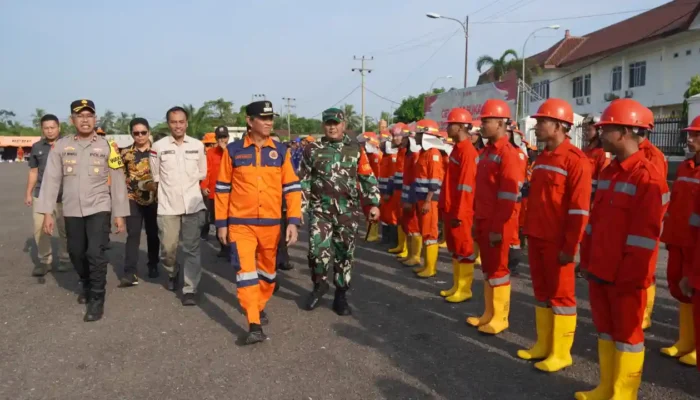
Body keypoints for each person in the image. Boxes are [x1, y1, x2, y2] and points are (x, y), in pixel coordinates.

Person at [574, 98, 669, 400]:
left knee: (628, 336)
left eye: (607, 128)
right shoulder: (610, 171)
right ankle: (606, 387)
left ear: (626, 131)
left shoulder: (648, 177)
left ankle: (623, 394)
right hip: (600, 268)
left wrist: (630, 279)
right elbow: (595, 222)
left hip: (626, 277)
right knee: (604, 330)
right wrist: (586, 259)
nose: (600, 133)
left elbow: (645, 239)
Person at [215, 101, 301, 345]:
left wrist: (293, 220)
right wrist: (221, 223)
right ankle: (253, 323)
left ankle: (258, 304)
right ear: (249, 121)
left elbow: (292, 188)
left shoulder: (281, 151)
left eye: (270, 118)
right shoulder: (233, 151)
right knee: (246, 274)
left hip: (272, 224)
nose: (268, 122)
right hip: (241, 223)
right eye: (263, 118)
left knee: (268, 275)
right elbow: (222, 189)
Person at [36, 99, 129, 321]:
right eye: (80, 116)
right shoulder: (61, 146)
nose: (85, 120)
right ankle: (86, 283)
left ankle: (97, 298)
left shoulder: (108, 146)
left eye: (89, 115)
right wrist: (47, 212)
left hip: (99, 207)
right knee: (76, 252)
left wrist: (120, 214)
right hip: (71, 209)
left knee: (95, 253)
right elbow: (50, 179)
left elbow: (117, 180)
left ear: (95, 119)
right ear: (72, 120)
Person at [516, 99, 591, 373]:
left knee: (562, 297)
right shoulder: (543, 157)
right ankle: (543, 345)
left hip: (559, 242)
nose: (536, 126)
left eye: (542, 121)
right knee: (541, 293)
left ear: (559, 126)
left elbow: (580, 209)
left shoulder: (576, 161)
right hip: (537, 236)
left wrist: (572, 247)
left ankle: (561, 353)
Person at [299, 107, 380, 316]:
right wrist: (298, 208)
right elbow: (304, 181)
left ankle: (341, 294)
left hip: (347, 212)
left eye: (336, 123)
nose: (332, 127)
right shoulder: (312, 149)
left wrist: (373, 203)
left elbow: (367, 177)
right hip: (320, 211)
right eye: (328, 123)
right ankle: (319, 285)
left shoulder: (356, 150)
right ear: (323, 125)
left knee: (344, 254)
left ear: (344, 125)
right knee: (317, 252)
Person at [466, 99, 521, 335]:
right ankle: (488, 313)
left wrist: (498, 227)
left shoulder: (507, 154)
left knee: (499, 271)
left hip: (499, 222)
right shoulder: (487, 152)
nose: (481, 126)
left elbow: (508, 196)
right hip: (484, 219)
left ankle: (501, 317)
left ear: (500, 123)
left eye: (486, 121)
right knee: (488, 270)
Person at [148, 106, 207, 306]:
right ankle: (173, 272)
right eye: (174, 122)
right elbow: (156, 176)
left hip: (193, 205)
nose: (178, 125)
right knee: (168, 248)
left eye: (181, 121)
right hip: (167, 206)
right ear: (168, 124)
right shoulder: (157, 147)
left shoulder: (198, 146)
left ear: (187, 123)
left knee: (192, 249)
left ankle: (190, 288)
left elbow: (202, 172)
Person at [659, 115, 700, 367]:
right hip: (678, 239)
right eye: (690, 134)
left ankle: (696, 344)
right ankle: (685, 340)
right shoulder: (685, 167)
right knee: (678, 289)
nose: (690, 139)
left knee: (695, 293)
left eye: (696, 135)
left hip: (695, 244)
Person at [439, 108, 479, 303]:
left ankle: (465, 289)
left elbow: (466, 187)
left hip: (460, 211)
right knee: (455, 249)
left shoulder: (468, 152)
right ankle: (456, 285)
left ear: (461, 127)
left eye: (450, 124)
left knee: (464, 249)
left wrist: (459, 213)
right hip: (451, 208)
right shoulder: (457, 148)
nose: (447, 127)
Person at [25, 114, 71, 276]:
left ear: (59, 128)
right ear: (42, 129)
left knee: (65, 230)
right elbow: (33, 171)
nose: (50, 131)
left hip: (64, 196)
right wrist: (28, 193)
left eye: (53, 127)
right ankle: (45, 261)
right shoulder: (37, 147)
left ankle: (65, 259)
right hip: (41, 195)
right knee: (40, 229)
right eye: (46, 128)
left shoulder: (68, 145)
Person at [635, 108, 668, 331]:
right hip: (628, 220)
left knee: (646, 270)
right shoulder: (628, 152)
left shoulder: (653, 156)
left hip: (646, 222)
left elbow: (657, 193)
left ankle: (644, 315)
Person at [118, 118, 160, 287]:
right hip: (133, 199)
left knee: (152, 234)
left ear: (149, 132)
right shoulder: (125, 153)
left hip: (155, 199)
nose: (140, 136)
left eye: (143, 132)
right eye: (136, 133)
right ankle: (130, 272)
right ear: (132, 134)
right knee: (133, 234)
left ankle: (153, 264)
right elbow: (120, 176)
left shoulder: (158, 151)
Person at [577, 114, 611, 278]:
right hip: (584, 199)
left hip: (595, 201)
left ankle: (592, 263)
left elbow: (603, 181)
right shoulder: (586, 150)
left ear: (598, 130)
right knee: (584, 233)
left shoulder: (602, 153)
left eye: (588, 129)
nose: (585, 132)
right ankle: (584, 263)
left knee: (594, 234)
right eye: (584, 128)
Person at [411, 120, 445, 278]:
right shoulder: (425, 153)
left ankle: (431, 268)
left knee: (430, 234)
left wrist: (427, 200)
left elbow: (435, 180)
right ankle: (426, 265)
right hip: (421, 198)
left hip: (428, 200)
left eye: (418, 133)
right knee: (425, 232)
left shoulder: (433, 154)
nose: (415, 137)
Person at [201, 127, 229, 257]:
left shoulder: (233, 151)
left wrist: (225, 151)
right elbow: (207, 171)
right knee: (218, 221)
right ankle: (224, 247)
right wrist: (204, 186)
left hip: (231, 193)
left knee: (232, 221)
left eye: (224, 137)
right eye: (220, 138)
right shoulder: (211, 153)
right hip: (214, 193)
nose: (222, 140)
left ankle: (232, 248)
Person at [400, 125, 423, 267]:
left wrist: (411, 200)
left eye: (403, 137)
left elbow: (415, 180)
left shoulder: (415, 155)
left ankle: (415, 256)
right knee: (407, 226)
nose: (400, 140)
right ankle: (409, 254)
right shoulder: (407, 154)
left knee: (414, 228)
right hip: (406, 196)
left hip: (412, 198)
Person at [387, 123, 409, 257]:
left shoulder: (407, 152)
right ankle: (401, 246)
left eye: (397, 136)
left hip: (404, 191)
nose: (395, 139)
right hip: (397, 190)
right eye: (393, 136)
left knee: (406, 220)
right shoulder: (400, 151)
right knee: (399, 218)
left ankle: (407, 249)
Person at [378, 130, 398, 247]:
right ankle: (386, 238)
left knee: (392, 217)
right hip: (382, 191)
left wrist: (388, 192)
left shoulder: (392, 157)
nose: (380, 145)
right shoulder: (385, 157)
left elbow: (392, 177)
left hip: (389, 192)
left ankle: (393, 240)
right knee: (384, 216)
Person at [200, 132, 217, 239]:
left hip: (218, 191)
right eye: (206, 145)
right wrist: (203, 187)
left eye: (210, 145)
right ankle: (204, 233)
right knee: (205, 214)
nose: (208, 148)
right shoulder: (200, 156)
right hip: (205, 190)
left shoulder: (223, 154)